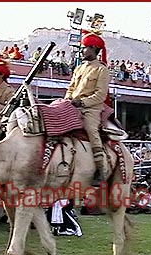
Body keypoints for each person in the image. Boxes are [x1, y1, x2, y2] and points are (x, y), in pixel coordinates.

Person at [64, 30, 110, 187]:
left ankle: (100, 169)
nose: (82, 50)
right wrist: (67, 100)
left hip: (91, 110)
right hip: (72, 106)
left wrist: (82, 103)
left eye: (84, 47)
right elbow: (71, 88)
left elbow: (100, 96)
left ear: (93, 49)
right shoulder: (79, 68)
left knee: (91, 129)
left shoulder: (102, 70)